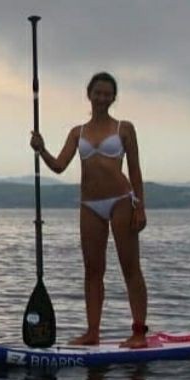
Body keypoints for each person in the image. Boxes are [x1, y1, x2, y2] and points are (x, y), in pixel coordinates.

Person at [29, 72, 149, 348]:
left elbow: (135, 170)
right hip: (89, 205)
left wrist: (139, 206)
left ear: (114, 97)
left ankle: (140, 332)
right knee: (92, 270)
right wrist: (41, 149)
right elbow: (59, 166)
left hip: (121, 201)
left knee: (130, 268)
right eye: (98, 93)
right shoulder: (77, 132)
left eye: (108, 93)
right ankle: (92, 332)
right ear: (89, 95)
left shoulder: (124, 128)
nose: (103, 98)